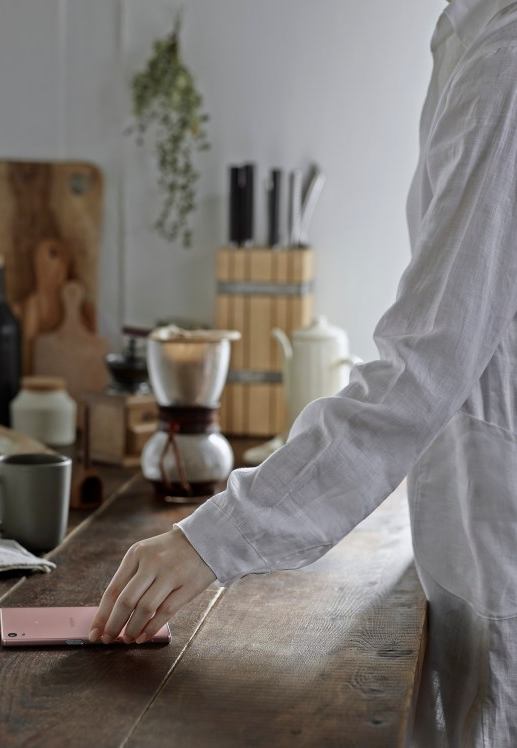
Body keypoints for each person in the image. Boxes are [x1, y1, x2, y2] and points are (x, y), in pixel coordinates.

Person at [90, 1, 517, 744]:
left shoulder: (505, 60)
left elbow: (424, 363)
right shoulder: (468, 29)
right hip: (468, 518)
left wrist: (215, 538)